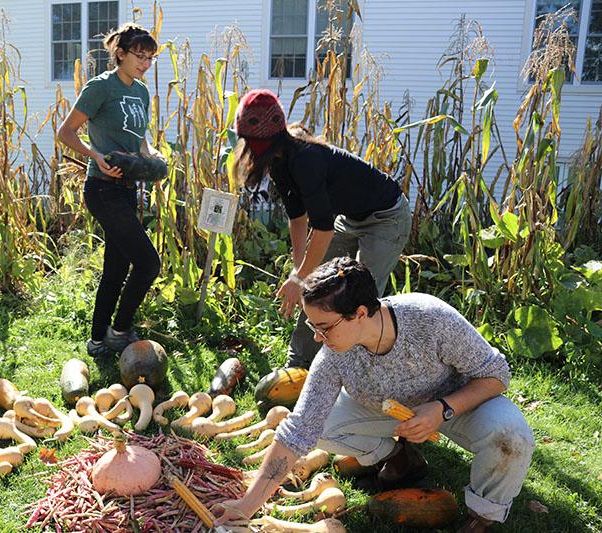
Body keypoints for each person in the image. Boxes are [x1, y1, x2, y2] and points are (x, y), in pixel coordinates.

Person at [213, 257, 534, 533]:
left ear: (361, 312)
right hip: (384, 410)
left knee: (513, 438)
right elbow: (298, 431)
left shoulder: (431, 319)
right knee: (320, 427)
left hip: (458, 402)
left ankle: (482, 516)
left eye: (324, 326)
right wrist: (246, 505)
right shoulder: (333, 354)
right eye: (313, 326)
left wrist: (442, 409)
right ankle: (396, 456)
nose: (317, 337)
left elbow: (497, 375)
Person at [233, 89, 412, 370]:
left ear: (269, 139)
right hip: (350, 218)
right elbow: (298, 218)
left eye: (252, 142)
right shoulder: (279, 161)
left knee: (361, 297)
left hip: (386, 217)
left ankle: (357, 368)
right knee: (317, 289)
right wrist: (299, 272)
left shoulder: (305, 159)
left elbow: (323, 228)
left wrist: (301, 276)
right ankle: (299, 363)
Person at [57, 22, 161, 357]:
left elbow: (138, 137)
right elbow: (66, 132)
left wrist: (151, 154)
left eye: (150, 58)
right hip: (102, 187)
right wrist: (96, 156)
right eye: (139, 56)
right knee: (147, 264)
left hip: (128, 188)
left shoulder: (141, 92)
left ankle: (98, 340)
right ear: (120, 53)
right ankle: (120, 331)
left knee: (116, 268)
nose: (145, 63)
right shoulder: (102, 87)